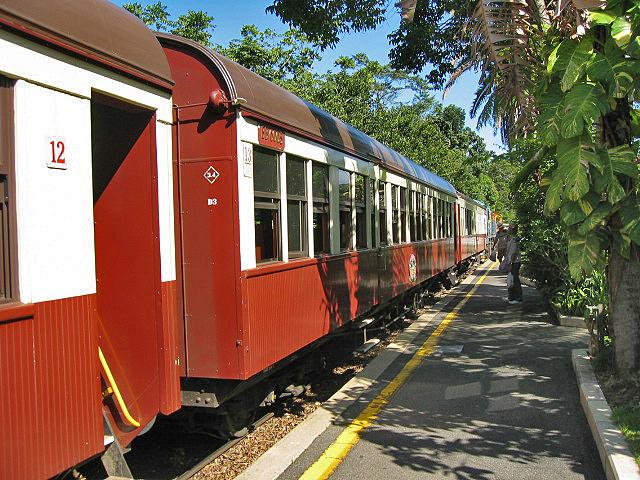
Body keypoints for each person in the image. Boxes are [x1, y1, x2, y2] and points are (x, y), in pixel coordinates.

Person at [502, 225, 522, 305]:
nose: (508, 229)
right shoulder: (512, 238)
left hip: (515, 262)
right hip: (513, 262)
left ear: (513, 230)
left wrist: (510, 263)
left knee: (515, 280)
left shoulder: (514, 239)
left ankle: (518, 298)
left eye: (509, 228)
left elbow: (514, 253)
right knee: (511, 280)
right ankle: (511, 297)